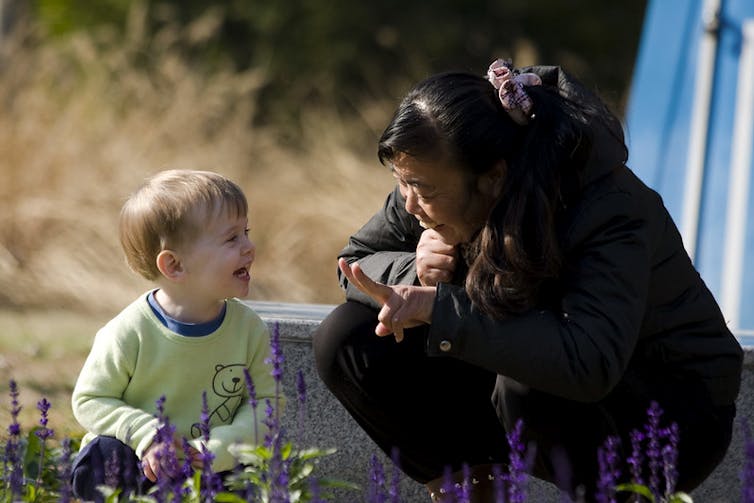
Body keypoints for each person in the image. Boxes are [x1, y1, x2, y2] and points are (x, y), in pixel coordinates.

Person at [313, 59, 744, 501]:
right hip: (542, 375)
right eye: (401, 183)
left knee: (524, 386)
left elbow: (587, 361)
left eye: (422, 189)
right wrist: (419, 274)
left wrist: (439, 305)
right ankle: (477, 492)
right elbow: (357, 260)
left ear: (493, 178)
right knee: (348, 338)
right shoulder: (430, 174)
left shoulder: (606, 205)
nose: (410, 204)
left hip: (666, 407)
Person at [70, 169, 283, 500]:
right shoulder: (129, 332)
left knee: (250, 468)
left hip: (212, 466)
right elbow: (90, 399)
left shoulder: (249, 329)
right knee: (102, 454)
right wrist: (150, 437)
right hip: (142, 463)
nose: (249, 247)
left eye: (247, 232)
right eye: (232, 238)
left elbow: (266, 403)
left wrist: (217, 448)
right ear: (175, 266)